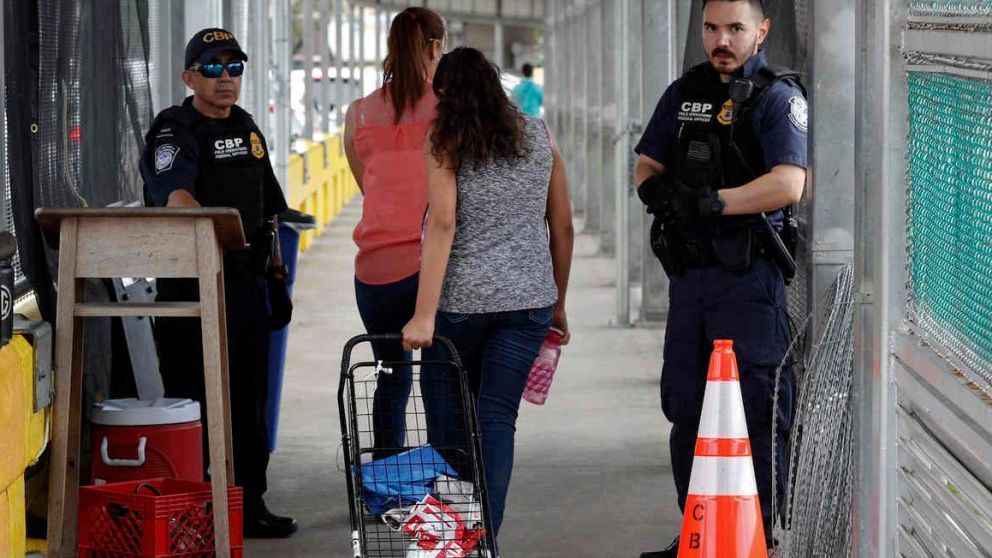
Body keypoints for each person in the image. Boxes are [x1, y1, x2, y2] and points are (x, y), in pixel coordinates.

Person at [632, 0, 806, 555]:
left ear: (762, 30)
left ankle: (758, 540)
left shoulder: (778, 98)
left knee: (756, 413)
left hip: (749, 283)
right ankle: (700, 534)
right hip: (691, 284)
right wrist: (663, 195)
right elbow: (647, 165)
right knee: (686, 409)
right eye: (711, 28)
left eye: (735, 28)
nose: (721, 40)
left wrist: (713, 204)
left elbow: (787, 185)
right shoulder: (684, 94)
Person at [401, 47, 574, 542]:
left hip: (460, 308)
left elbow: (444, 222)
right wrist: (557, 301)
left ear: (444, 96)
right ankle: (485, 537)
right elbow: (561, 225)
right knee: (497, 417)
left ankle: (454, 534)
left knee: (448, 422)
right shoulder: (540, 135)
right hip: (528, 305)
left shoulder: (445, 138)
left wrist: (423, 315)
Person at [139, 28, 297, 538]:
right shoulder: (174, 129)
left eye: (233, 67)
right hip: (193, 286)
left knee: (249, 398)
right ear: (189, 76)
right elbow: (175, 197)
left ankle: (249, 504)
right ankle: (195, 510)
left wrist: (275, 270)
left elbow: (269, 206)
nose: (225, 77)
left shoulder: (249, 128)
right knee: (196, 395)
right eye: (211, 67)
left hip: (247, 285)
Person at [343, 7, 444, 459]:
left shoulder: (360, 113)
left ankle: (386, 480)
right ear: (436, 48)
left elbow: (366, 182)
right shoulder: (448, 109)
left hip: (375, 273)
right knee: (441, 378)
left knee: (390, 379)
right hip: (433, 269)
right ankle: (452, 481)